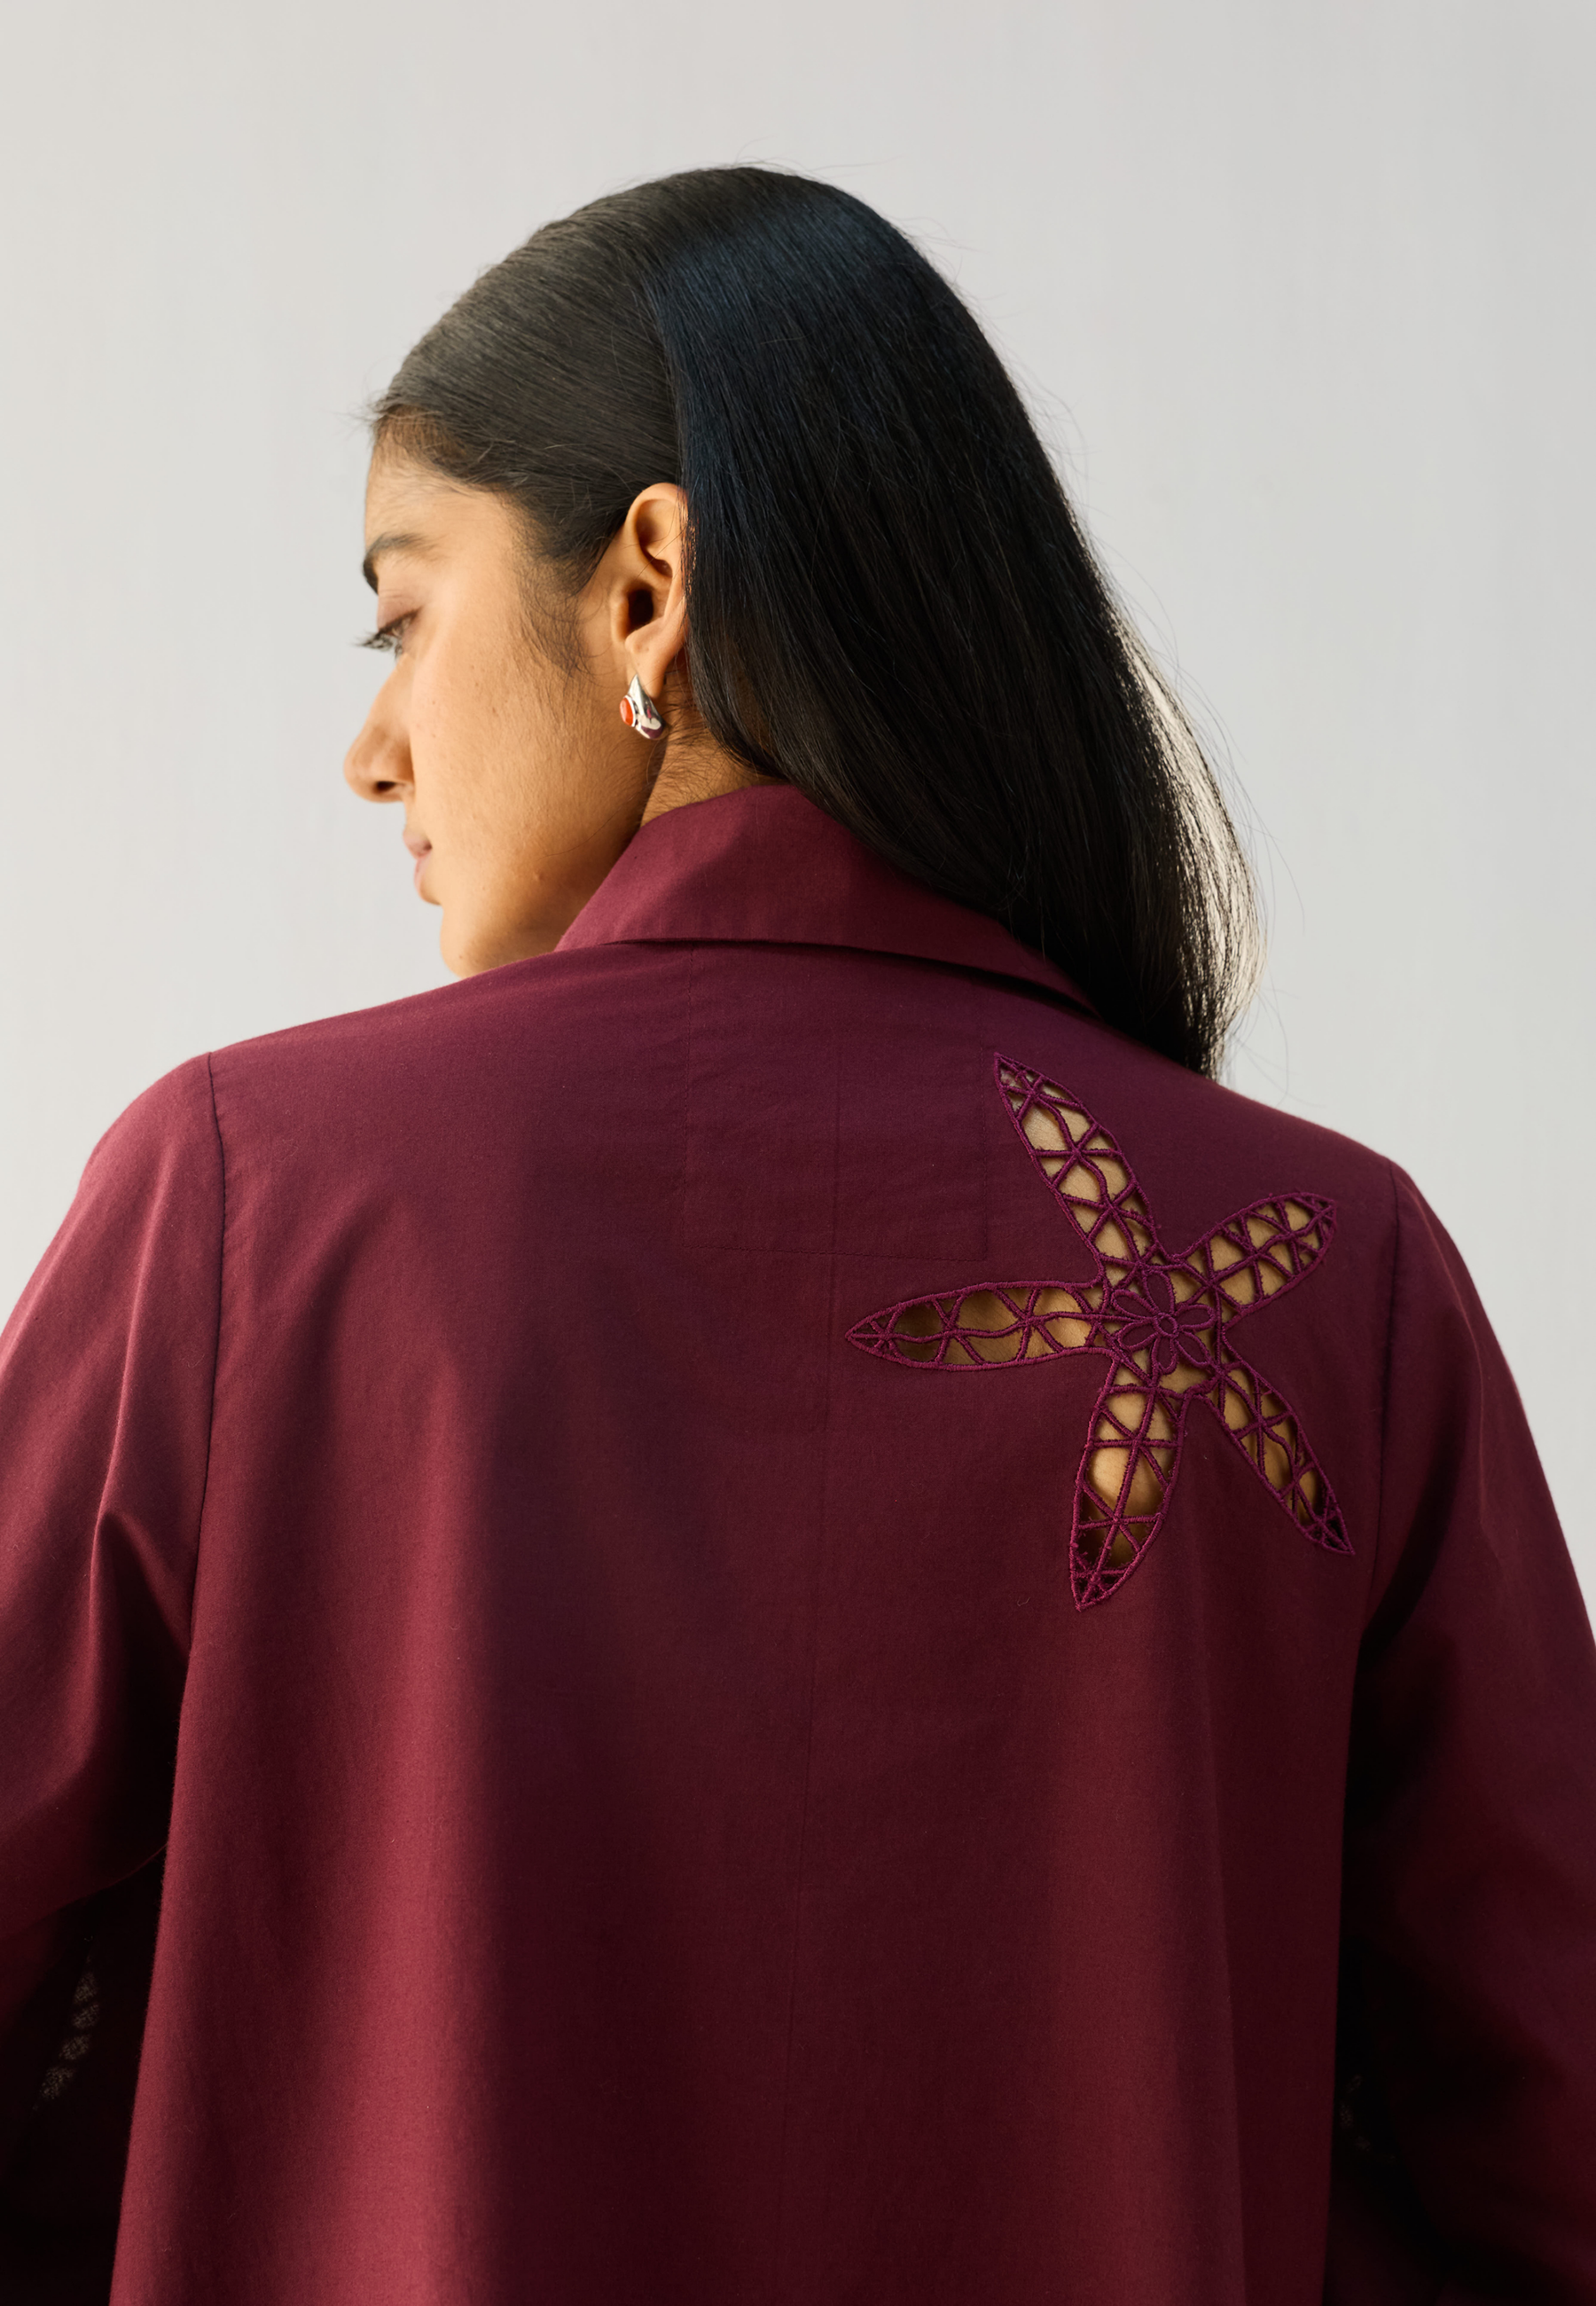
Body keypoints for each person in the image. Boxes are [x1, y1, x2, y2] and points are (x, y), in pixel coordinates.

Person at [0, 165, 1592, 2306]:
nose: (373, 751)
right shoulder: (1328, 1271)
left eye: (403, 619)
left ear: (645, 585)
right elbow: (1548, 2157)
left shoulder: (253, 1203)